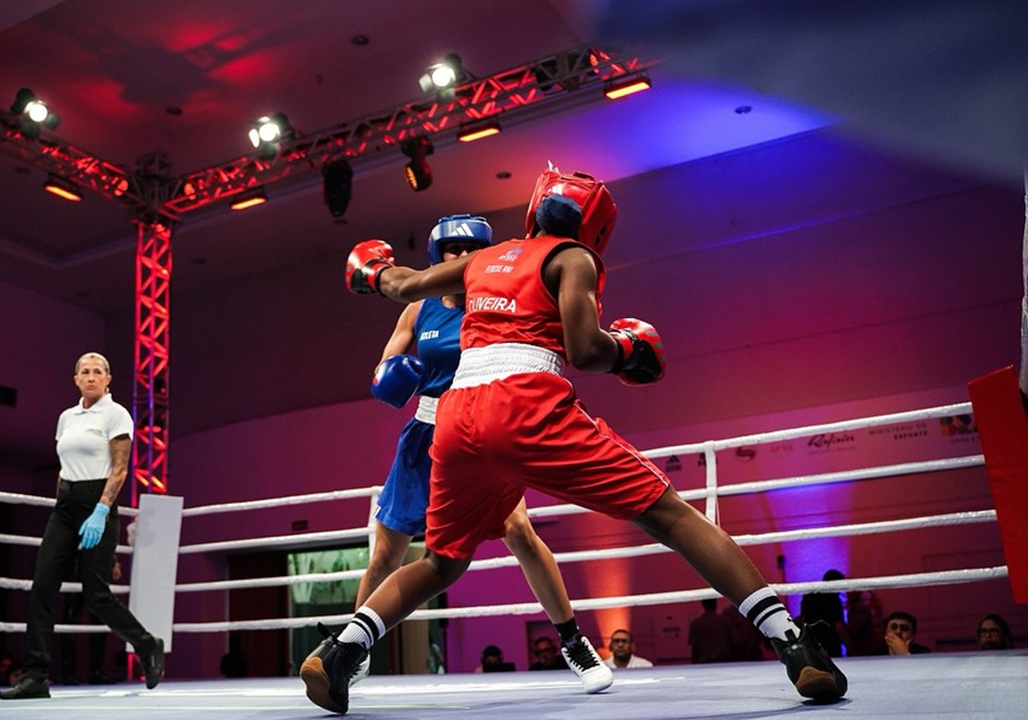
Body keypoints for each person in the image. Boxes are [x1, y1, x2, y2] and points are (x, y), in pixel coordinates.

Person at [302, 166, 847, 714]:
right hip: (528, 403)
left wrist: (370, 272)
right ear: (595, 227)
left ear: (534, 210)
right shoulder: (573, 258)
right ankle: (793, 643)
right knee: (672, 516)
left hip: (457, 416)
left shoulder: (484, 260)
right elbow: (586, 350)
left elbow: (398, 283)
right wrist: (629, 350)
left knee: (442, 562)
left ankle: (341, 650)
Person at [352, 214, 607, 692]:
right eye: (450, 250)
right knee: (387, 551)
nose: (460, 258)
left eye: (468, 249)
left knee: (519, 531)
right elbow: (382, 368)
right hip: (425, 433)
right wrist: (392, 374)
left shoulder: (495, 302)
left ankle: (572, 641)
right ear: (436, 256)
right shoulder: (419, 308)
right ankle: (352, 649)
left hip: (476, 428)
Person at [0, 352, 165, 700]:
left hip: (98, 501)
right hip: (65, 507)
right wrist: (63, 500)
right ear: (75, 378)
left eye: (98, 372)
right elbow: (64, 465)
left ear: (108, 379)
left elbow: (119, 469)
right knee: (42, 587)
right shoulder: (66, 418)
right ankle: (35, 676)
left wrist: (102, 510)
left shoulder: (116, 413)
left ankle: (148, 645)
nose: (91, 377)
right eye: (84, 372)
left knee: (96, 595)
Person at [60, 554, 123, 685]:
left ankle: (96, 671)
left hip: (99, 562)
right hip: (76, 560)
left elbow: (106, 534)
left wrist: (115, 562)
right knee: (71, 619)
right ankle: (68, 673)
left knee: (100, 618)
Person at [799, 569, 849, 657]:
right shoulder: (834, 601)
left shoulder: (809, 598)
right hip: (830, 646)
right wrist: (850, 648)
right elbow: (839, 627)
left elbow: (803, 621)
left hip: (812, 645)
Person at [689, 598, 736, 663]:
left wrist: (694, 665)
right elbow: (733, 644)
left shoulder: (696, 623)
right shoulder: (725, 622)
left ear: (703, 605)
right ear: (715, 604)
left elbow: (695, 649)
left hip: (704, 662)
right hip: (724, 662)